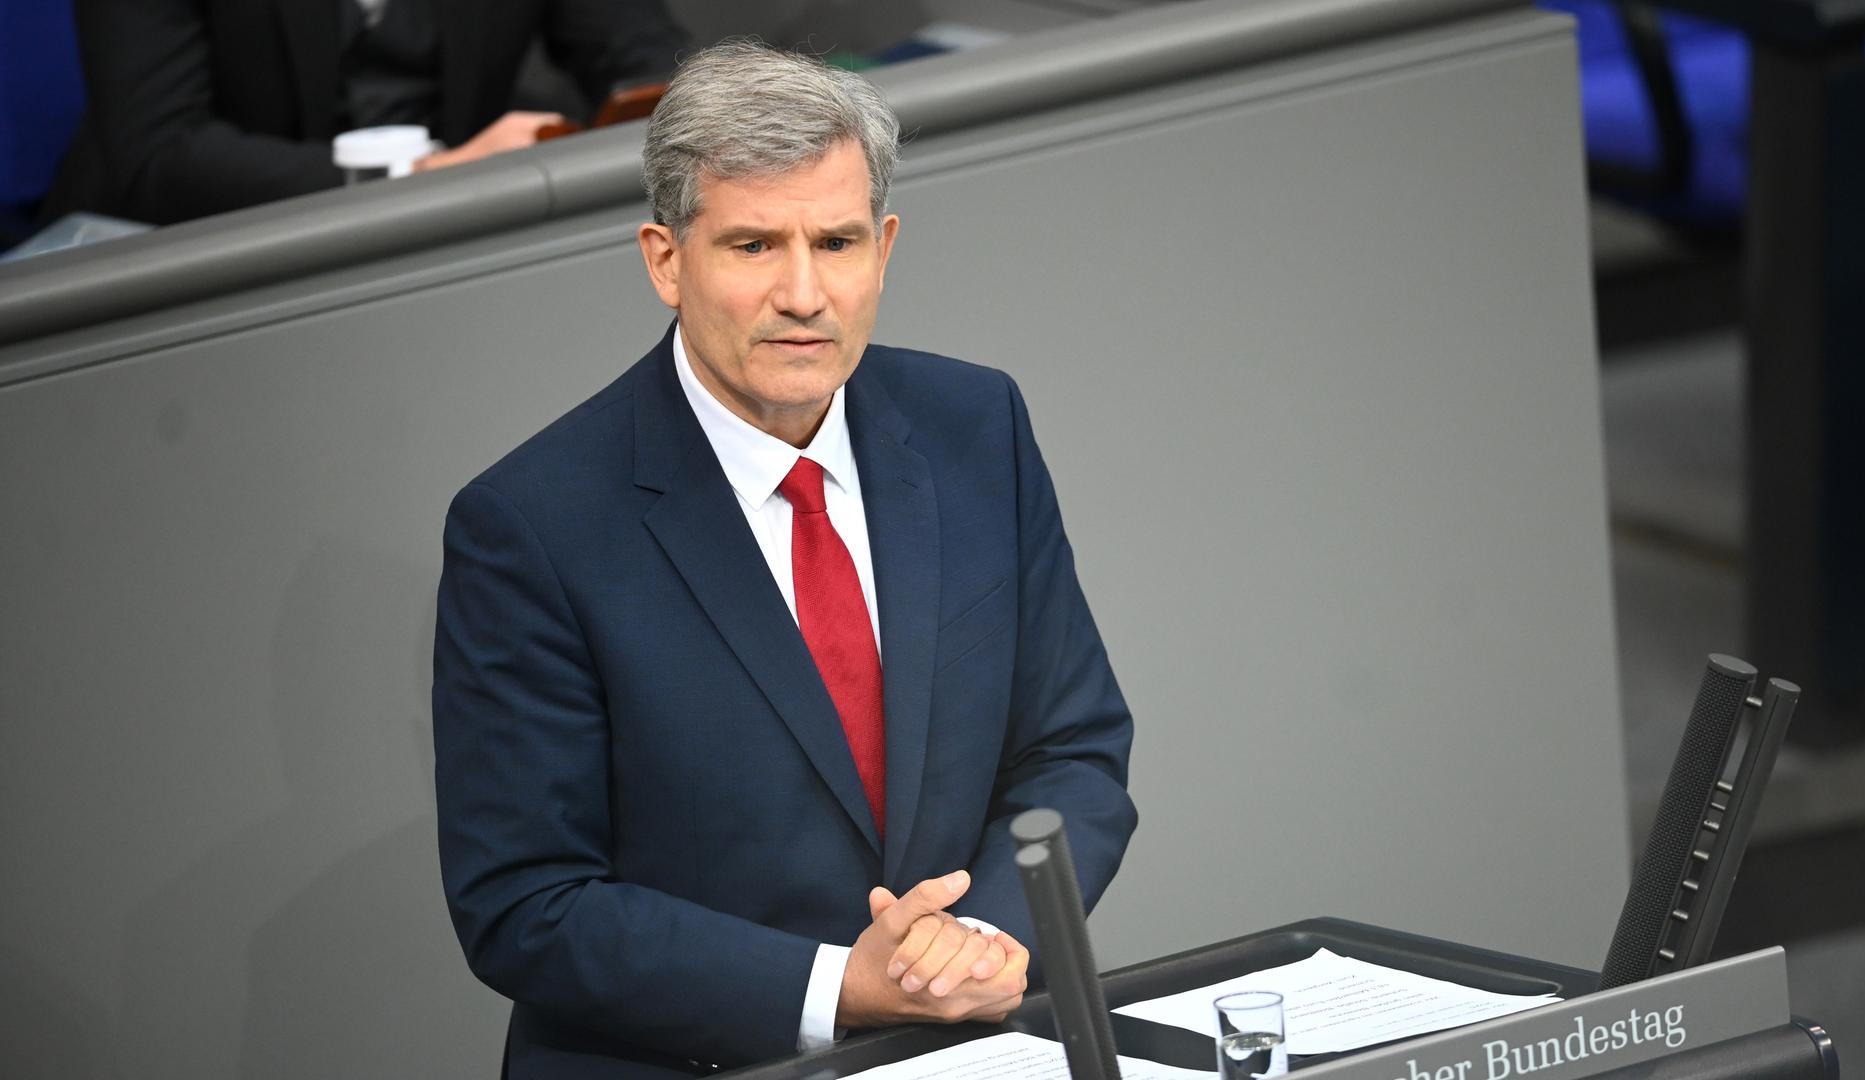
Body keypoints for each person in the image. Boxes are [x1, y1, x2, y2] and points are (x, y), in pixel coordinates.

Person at [432, 40, 1137, 1078]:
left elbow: (1071, 750)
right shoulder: (531, 524)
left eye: (836, 242)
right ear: (666, 260)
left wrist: (980, 939)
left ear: (883, 250)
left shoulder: (975, 424)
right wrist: (841, 987)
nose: (805, 293)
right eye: (754, 245)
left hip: (962, 1052)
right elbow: (526, 903)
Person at [43, 0, 687, 225]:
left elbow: (641, 56)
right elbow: (158, 156)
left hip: (448, 243)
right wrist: (424, 174)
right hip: (181, 267)